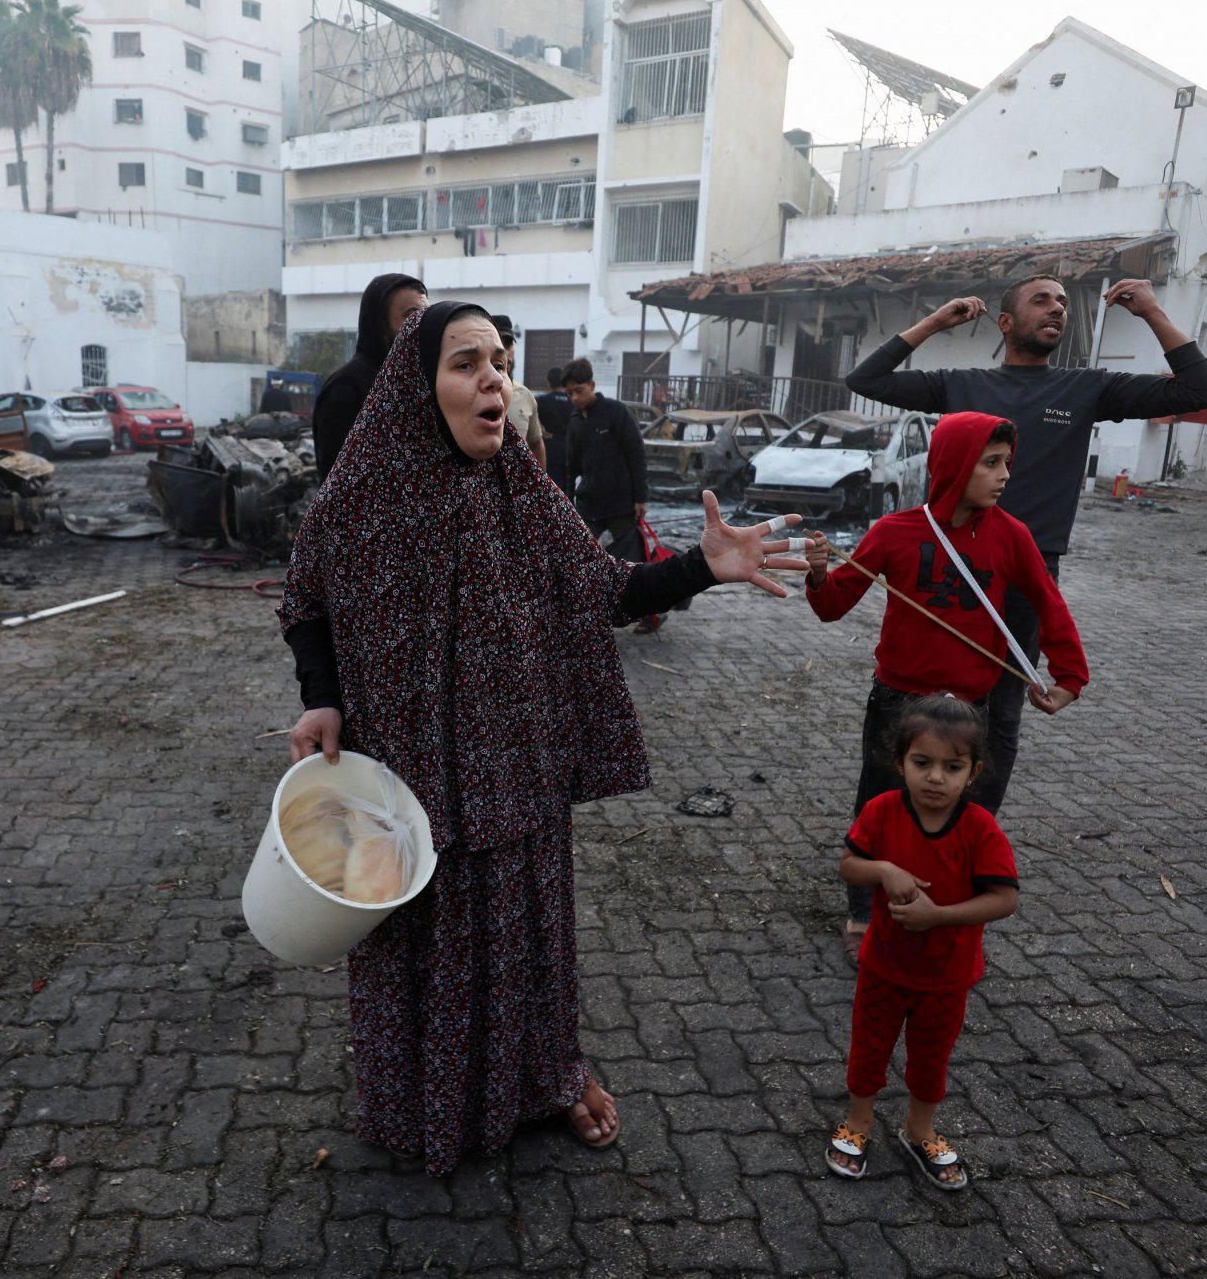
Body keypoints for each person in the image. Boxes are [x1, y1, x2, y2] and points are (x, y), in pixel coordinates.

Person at [279, 300, 815, 1175]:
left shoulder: (520, 491)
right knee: (420, 938)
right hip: (402, 778)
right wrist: (323, 696)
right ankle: (425, 1094)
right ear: (416, 388)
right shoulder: (357, 497)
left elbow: (602, 589)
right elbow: (308, 601)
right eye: (466, 363)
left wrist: (701, 568)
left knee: (523, 938)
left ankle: (551, 1077)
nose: (494, 379)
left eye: (500, 360)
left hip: (510, 766)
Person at [845, 278, 1207, 811]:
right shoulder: (961, 383)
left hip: (1026, 573)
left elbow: (1201, 392)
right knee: (915, 697)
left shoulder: (1087, 389)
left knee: (999, 712)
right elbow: (866, 378)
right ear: (1005, 322)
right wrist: (935, 322)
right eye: (1041, 300)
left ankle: (971, 832)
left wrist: (1153, 313)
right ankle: (888, 824)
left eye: (1063, 302)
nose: (1057, 308)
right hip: (948, 561)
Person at [802, 412, 1085, 960]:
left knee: (947, 807)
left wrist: (1070, 676)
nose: (1005, 475)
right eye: (990, 463)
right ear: (955, 466)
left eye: (1008, 463)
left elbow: (1051, 607)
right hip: (897, 700)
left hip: (967, 709)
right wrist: (818, 575)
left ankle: (937, 901)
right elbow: (834, 605)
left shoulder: (1012, 535)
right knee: (879, 801)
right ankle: (864, 907)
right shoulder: (894, 532)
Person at [826, 695, 1019, 1192]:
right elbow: (849, 865)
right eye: (922, 763)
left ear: (972, 773)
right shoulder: (882, 811)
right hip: (883, 966)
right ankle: (859, 1121)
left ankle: (920, 1129)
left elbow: (1003, 899)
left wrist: (938, 917)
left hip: (947, 976)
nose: (936, 777)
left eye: (952, 766)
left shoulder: (981, 829)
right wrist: (884, 870)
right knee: (868, 1048)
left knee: (931, 1058)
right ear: (900, 763)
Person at [564, 358, 662, 629]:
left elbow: (636, 455)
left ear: (593, 385)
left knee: (632, 564)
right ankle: (582, 614)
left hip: (621, 503)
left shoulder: (615, 412)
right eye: (569, 393)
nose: (574, 398)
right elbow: (572, 467)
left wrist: (640, 498)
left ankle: (650, 613)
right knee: (576, 558)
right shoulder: (574, 421)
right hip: (588, 505)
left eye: (579, 391)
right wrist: (568, 503)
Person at [312, 273, 427, 480]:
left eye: (425, 317)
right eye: (412, 316)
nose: (422, 326)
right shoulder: (347, 388)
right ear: (380, 324)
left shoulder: (418, 384)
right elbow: (337, 482)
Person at [489, 315, 546, 468]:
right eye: (498, 344)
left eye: (507, 345)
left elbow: (536, 444)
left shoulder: (525, 396)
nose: (504, 352)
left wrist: (540, 488)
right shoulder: (472, 393)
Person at [538, 366, 574, 495]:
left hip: (548, 449)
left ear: (548, 382)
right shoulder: (573, 402)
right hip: (569, 449)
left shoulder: (540, 401)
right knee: (568, 488)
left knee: (549, 487)